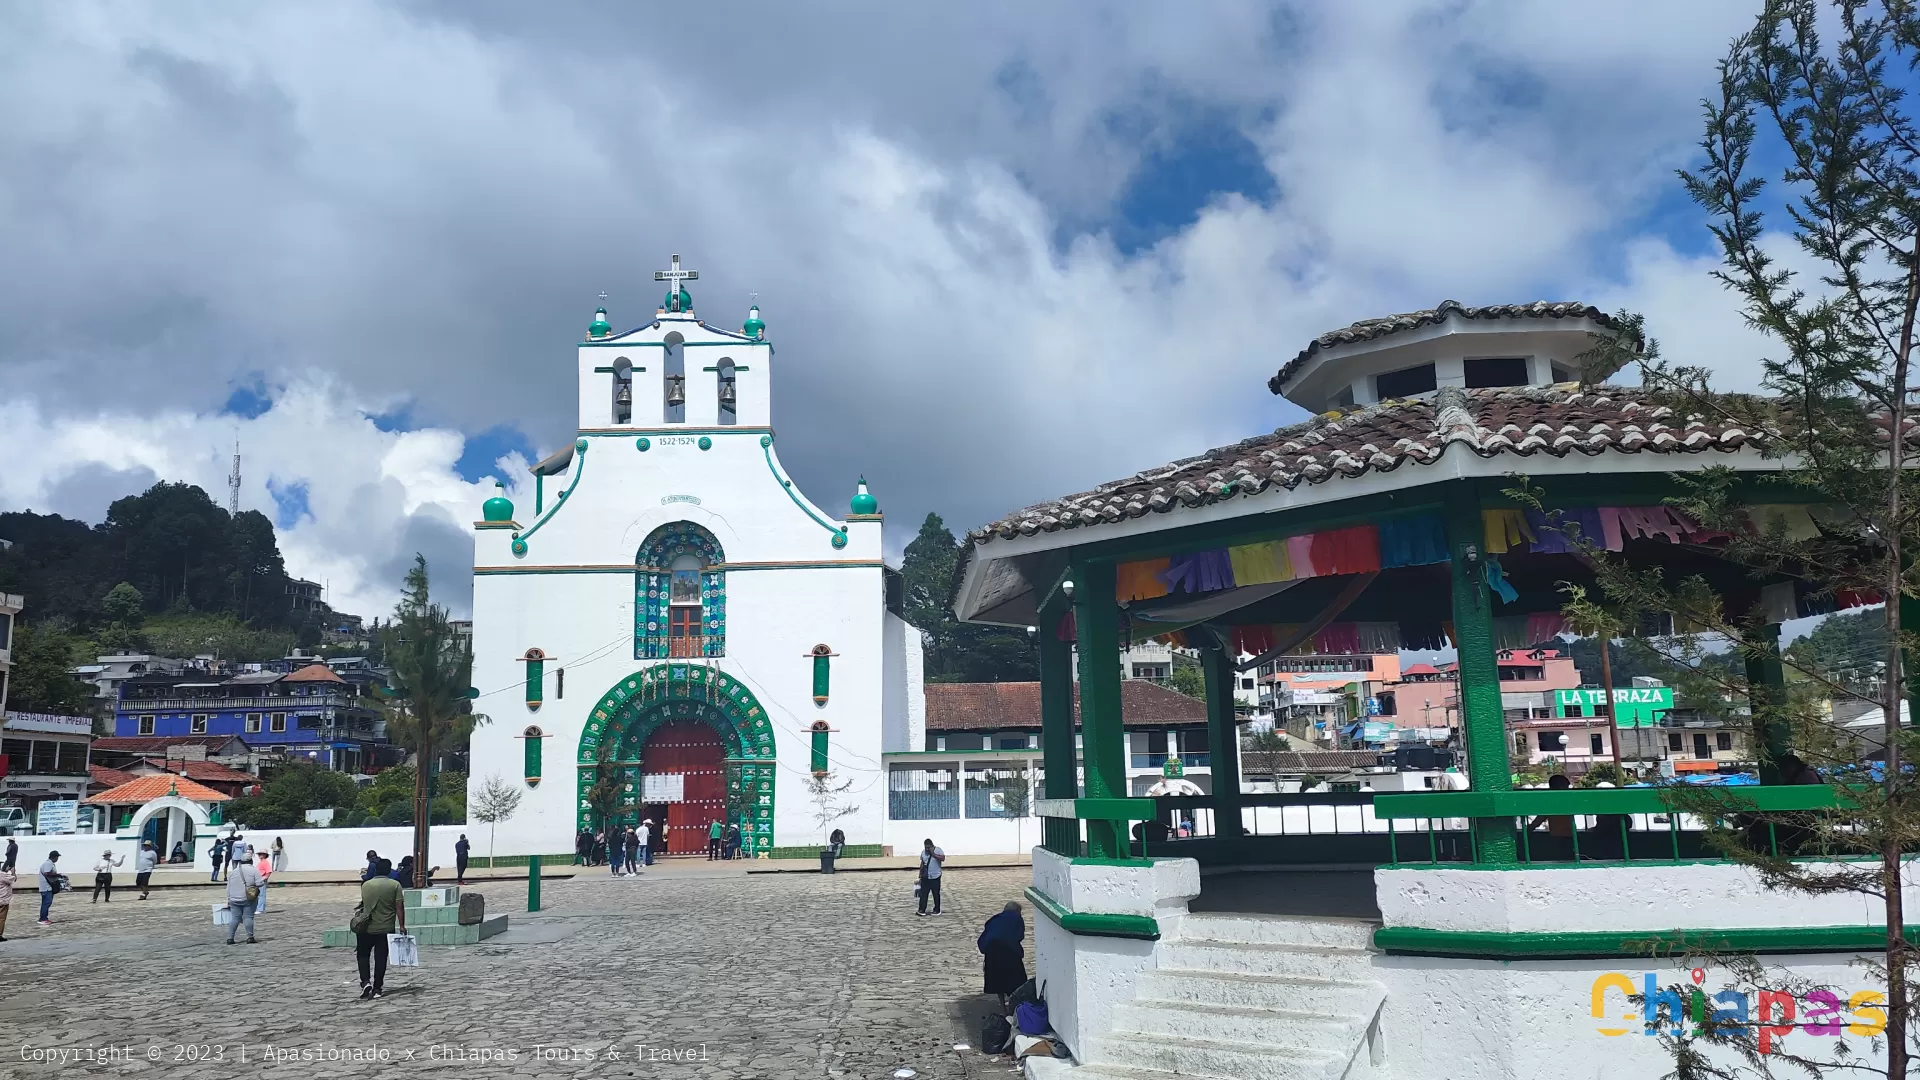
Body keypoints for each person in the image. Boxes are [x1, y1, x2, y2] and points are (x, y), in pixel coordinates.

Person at [356, 857, 406, 999]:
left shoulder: (366, 885)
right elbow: (399, 907)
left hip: (366, 927)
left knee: (363, 955)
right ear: (389, 870)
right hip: (385, 927)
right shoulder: (395, 885)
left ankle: (365, 981)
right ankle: (377, 988)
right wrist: (402, 925)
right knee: (381, 958)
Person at [978, 901, 1027, 1005]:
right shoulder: (1017, 919)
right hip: (1010, 953)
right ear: (1018, 911)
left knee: (998, 984)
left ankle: (1003, 1009)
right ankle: (1014, 1006)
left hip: (992, 954)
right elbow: (1019, 936)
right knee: (1017, 981)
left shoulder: (994, 920)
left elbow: (983, 939)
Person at [917, 838, 945, 916]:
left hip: (935, 876)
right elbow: (922, 863)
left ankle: (937, 909)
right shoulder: (923, 852)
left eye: (928, 847)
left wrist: (934, 855)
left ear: (932, 846)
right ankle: (921, 909)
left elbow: (943, 858)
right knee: (923, 894)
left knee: (936, 894)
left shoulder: (938, 850)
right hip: (926, 877)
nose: (927, 849)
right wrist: (920, 874)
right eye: (926, 847)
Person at [37, 851, 61, 926]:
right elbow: (46, 873)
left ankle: (44, 918)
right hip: (46, 887)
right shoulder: (48, 864)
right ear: (55, 857)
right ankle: (43, 918)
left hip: (47, 887)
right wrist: (57, 875)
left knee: (46, 903)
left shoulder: (49, 863)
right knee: (46, 903)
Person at [0, 861, 13, 940]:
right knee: (1, 918)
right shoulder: (2, 875)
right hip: (2, 899)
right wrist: (11, 871)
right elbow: (12, 879)